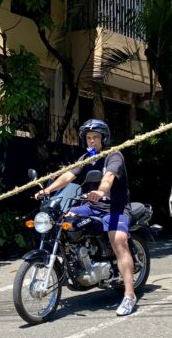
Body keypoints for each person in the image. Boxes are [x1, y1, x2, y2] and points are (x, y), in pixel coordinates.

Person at [34, 118, 138, 317]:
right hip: (91, 206)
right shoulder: (86, 158)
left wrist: (101, 191)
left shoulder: (113, 156)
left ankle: (129, 294)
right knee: (63, 221)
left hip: (114, 208)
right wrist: (47, 190)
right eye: (89, 138)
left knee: (119, 241)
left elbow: (108, 177)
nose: (91, 141)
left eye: (95, 138)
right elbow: (68, 176)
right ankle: (76, 264)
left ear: (104, 139)